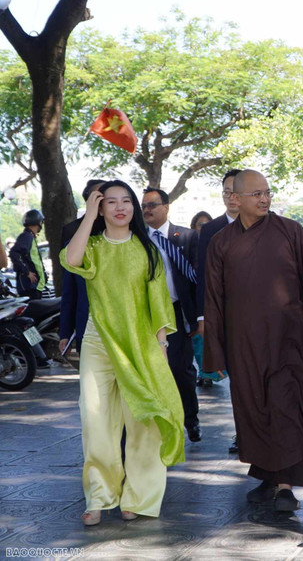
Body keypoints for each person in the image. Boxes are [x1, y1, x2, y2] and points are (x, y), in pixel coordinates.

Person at [61, 180, 184, 526]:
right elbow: (71, 260)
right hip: (98, 344)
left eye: (126, 201)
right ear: (100, 208)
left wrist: (161, 347)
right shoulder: (93, 246)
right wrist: (88, 214)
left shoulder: (147, 251)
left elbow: (159, 305)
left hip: (141, 345)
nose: (119, 208)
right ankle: (98, 497)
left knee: (144, 421)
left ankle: (139, 498)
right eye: (110, 202)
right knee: (96, 421)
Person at [203, 169, 303, 512]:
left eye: (267, 192)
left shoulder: (290, 231)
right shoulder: (221, 241)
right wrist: (216, 353)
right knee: (254, 410)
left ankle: (286, 485)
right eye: (256, 194)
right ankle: (269, 476)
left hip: (288, 340)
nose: (264, 199)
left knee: (286, 408)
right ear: (235, 199)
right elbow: (213, 299)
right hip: (243, 344)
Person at [142, 187, 201, 443]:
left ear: (166, 207)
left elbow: (198, 279)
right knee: (152, 371)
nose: (147, 210)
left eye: (152, 205)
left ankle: (191, 420)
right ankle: (161, 424)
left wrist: (200, 316)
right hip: (146, 314)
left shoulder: (187, 237)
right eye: (144, 206)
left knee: (180, 368)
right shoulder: (137, 239)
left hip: (177, 311)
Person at [195, 169, 241, 452]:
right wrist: (203, 318)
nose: (231, 197)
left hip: (265, 319)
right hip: (227, 318)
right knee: (237, 378)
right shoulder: (211, 230)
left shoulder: (270, 225)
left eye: (236, 191)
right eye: (226, 191)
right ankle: (243, 431)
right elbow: (203, 276)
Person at [60, 180, 106, 355]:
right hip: (87, 327)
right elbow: (69, 287)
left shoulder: (131, 238)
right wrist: (65, 330)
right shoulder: (73, 232)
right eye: (98, 197)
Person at [189, 211, 212, 386]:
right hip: (191, 300)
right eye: (200, 225)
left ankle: (207, 372)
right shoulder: (187, 244)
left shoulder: (214, 244)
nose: (203, 228)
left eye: (207, 225)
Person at [10, 210, 47, 299]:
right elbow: (14, 253)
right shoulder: (26, 237)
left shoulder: (30, 236)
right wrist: (27, 272)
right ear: (37, 222)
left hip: (35, 286)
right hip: (30, 287)